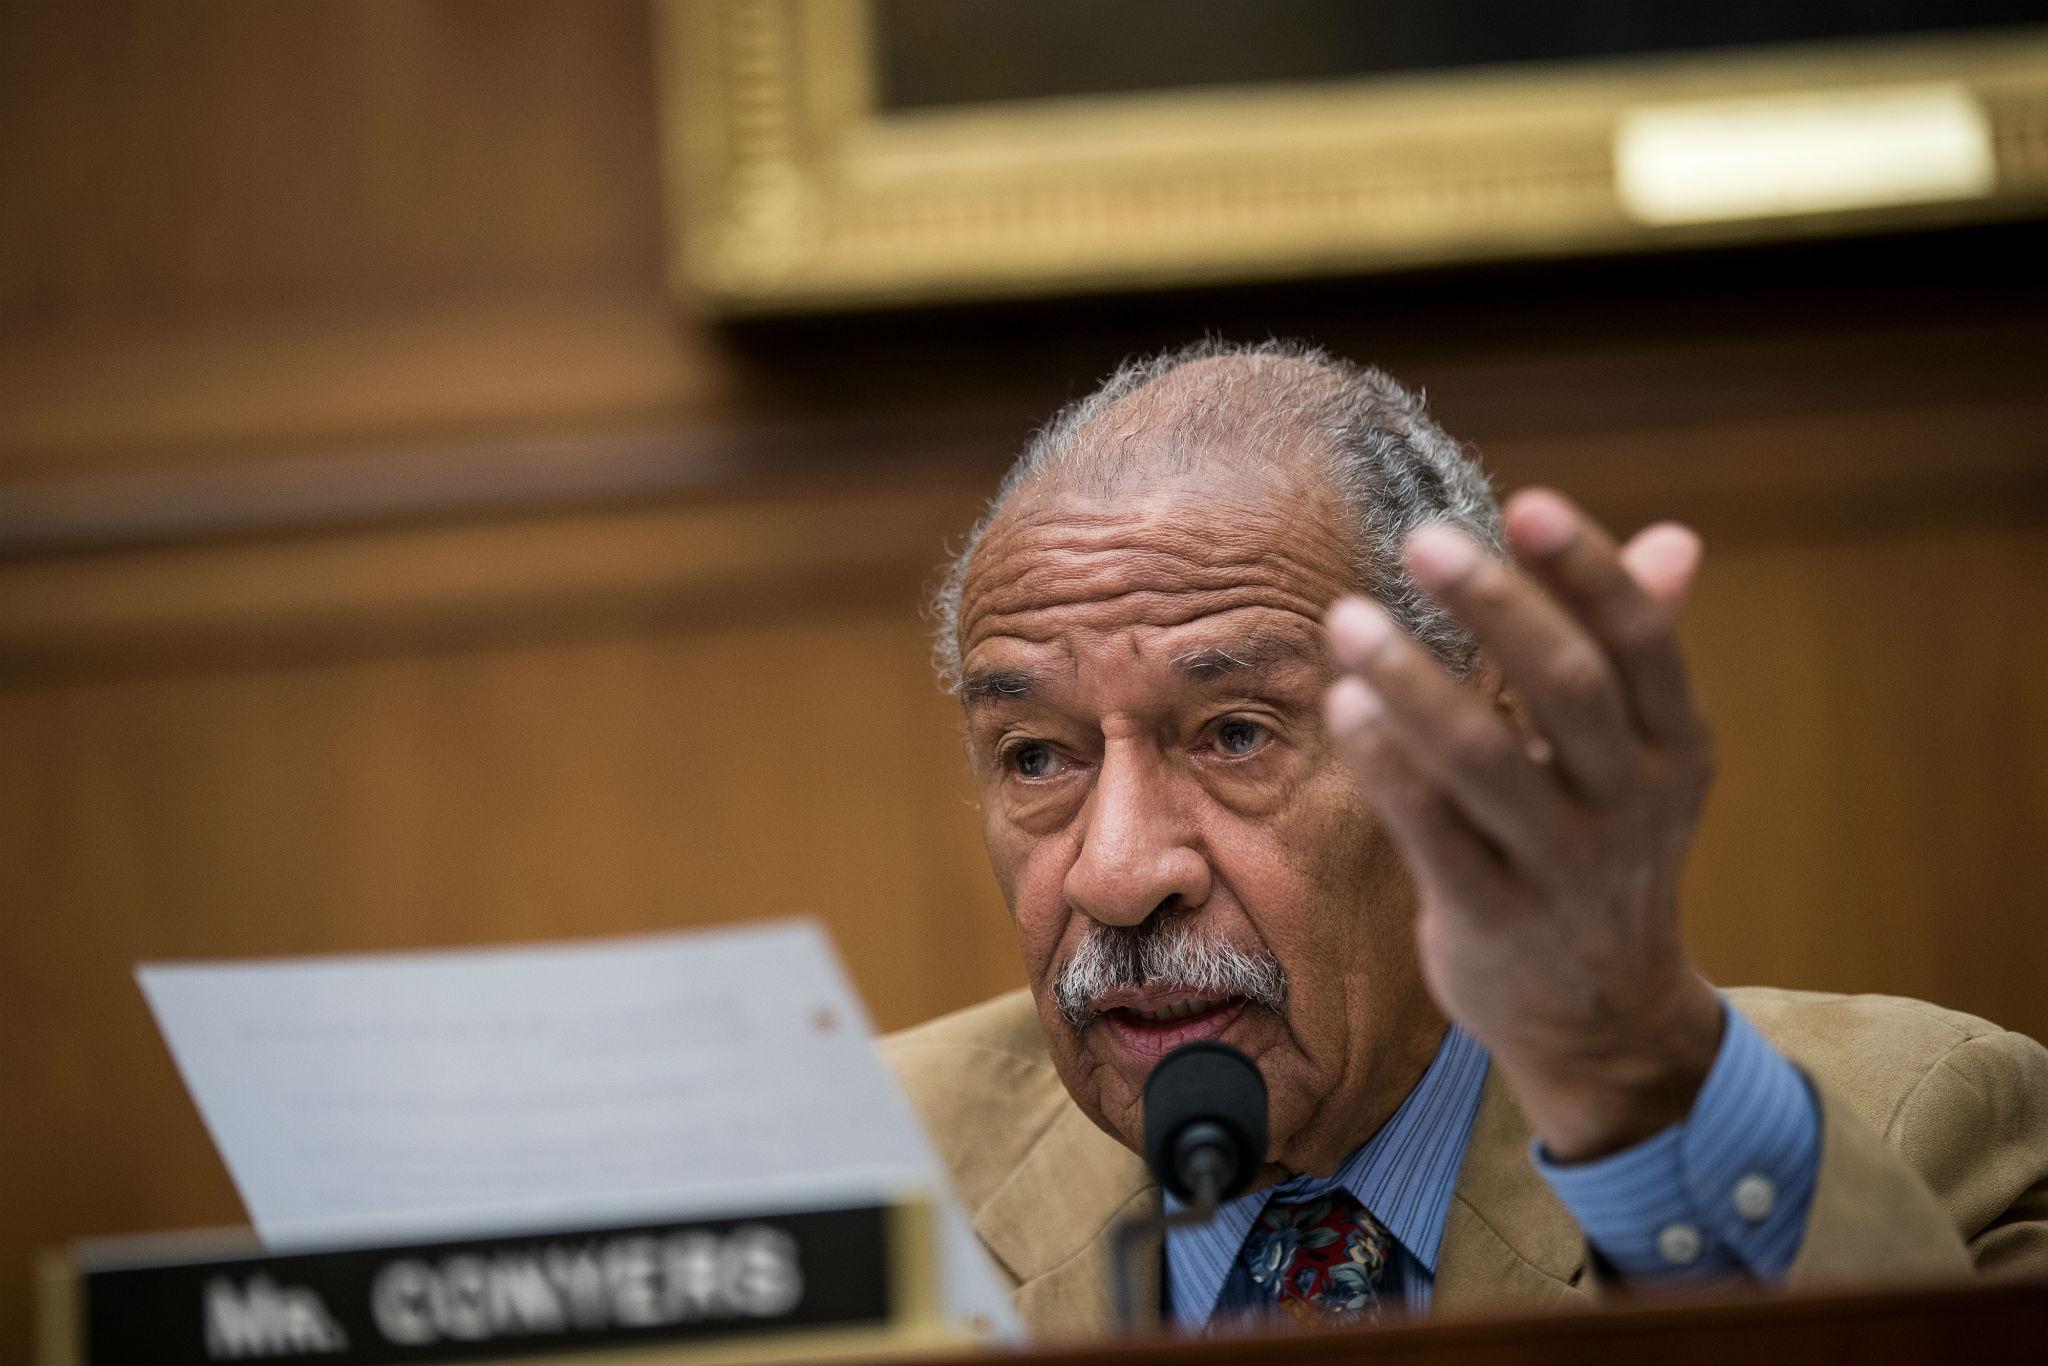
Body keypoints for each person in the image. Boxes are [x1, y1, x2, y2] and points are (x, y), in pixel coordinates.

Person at [880, 340, 2048, 1339]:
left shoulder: (1919, 1132)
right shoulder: (864, 1166)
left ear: (1470, 750)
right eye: (1036, 756)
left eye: (1234, 733)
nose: (1117, 873)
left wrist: (1628, 1072)